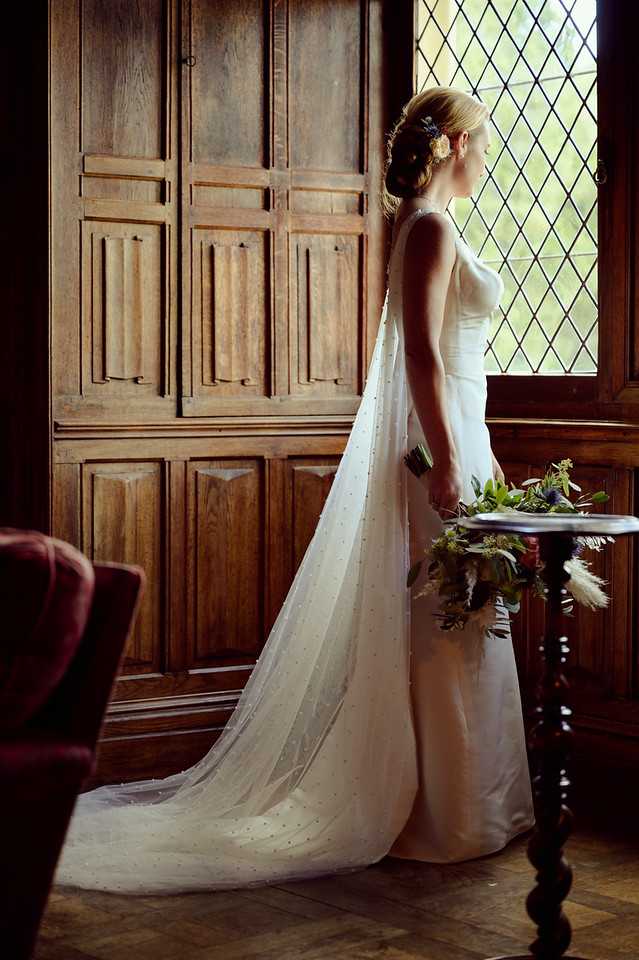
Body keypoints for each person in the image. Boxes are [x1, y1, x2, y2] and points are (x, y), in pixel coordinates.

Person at [53, 86, 534, 896]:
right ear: (453, 142)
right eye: (481, 140)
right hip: (437, 445)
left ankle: (475, 807)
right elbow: (419, 355)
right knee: (442, 616)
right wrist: (448, 461)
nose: (487, 156)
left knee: (469, 614)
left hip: (463, 436)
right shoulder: (427, 229)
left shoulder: (438, 226)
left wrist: (469, 452)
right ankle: (439, 814)